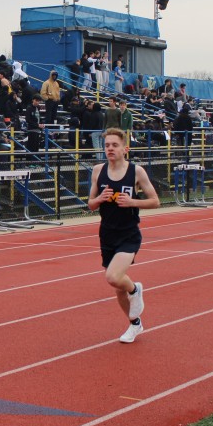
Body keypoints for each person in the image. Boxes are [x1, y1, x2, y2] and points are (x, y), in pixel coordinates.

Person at [88, 127, 160, 343]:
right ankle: (134, 324)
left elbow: (155, 201)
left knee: (113, 277)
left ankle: (135, 289)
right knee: (118, 287)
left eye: (114, 145)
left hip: (128, 233)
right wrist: (99, 199)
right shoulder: (98, 170)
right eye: (107, 145)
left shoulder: (136, 172)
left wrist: (132, 202)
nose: (110, 148)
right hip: (107, 234)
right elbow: (91, 204)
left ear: (125, 149)